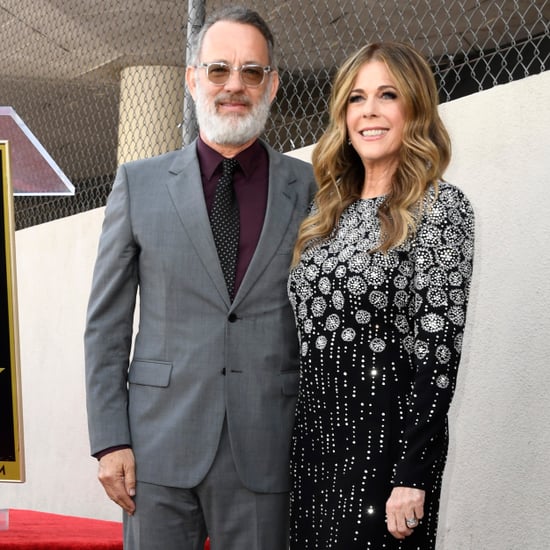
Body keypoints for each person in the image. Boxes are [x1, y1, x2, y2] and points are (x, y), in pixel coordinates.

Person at [84, 6, 315, 550]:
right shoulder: (138, 184)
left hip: (267, 445)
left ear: (272, 84)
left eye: (252, 72)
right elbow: (106, 326)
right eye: (219, 70)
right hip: (156, 448)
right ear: (192, 79)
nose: (235, 85)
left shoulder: (309, 187)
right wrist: (109, 439)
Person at [288, 41, 475, 549]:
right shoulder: (325, 216)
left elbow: (438, 353)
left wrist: (412, 474)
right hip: (313, 450)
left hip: (386, 458)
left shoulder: (439, 208)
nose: (368, 111)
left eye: (387, 95)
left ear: (414, 107)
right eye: (356, 98)